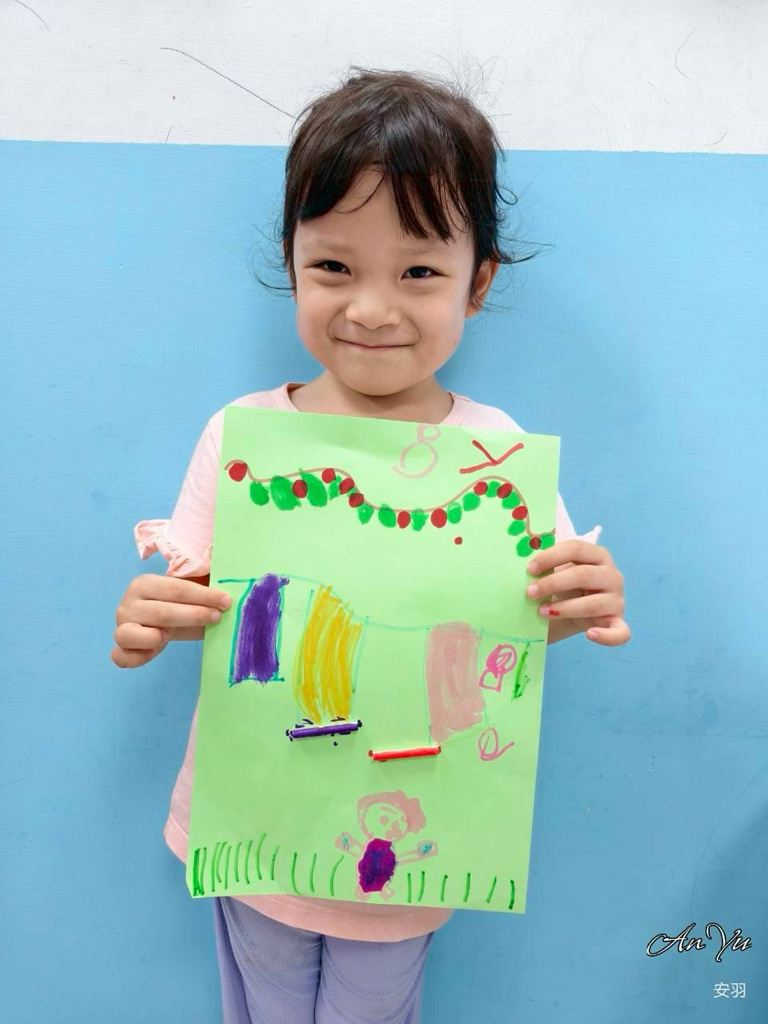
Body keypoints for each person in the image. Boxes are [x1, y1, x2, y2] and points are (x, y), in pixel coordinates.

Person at [111, 67, 630, 1024]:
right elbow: (210, 603)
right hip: (258, 819)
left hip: (419, 828)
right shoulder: (247, 437)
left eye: (419, 272)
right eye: (334, 267)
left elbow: (522, 620)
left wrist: (581, 599)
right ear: (292, 263)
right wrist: (153, 619)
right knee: (262, 1003)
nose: (372, 309)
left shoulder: (494, 453)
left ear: (478, 284)